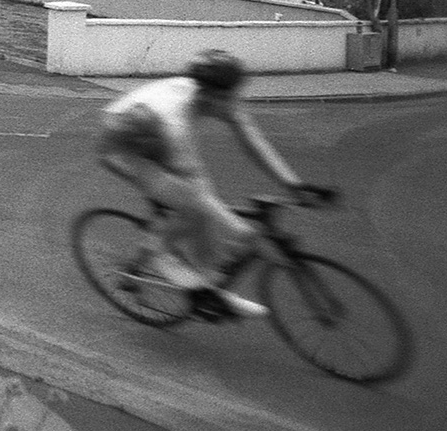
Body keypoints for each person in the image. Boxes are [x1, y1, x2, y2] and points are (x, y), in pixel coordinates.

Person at [97, 49, 331, 320]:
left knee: (200, 213)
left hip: (151, 129)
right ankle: (164, 267)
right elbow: (198, 193)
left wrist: (292, 183)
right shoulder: (175, 123)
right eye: (228, 97)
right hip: (122, 146)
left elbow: (252, 139)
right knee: (191, 205)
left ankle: (205, 286)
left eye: (235, 93)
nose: (234, 102)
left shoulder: (215, 97)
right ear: (208, 95)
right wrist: (240, 230)